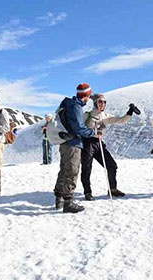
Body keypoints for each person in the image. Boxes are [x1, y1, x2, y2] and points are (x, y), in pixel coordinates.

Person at [81, 94, 139, 200]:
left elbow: (120, 120)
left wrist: (130, 112)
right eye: (100, 102)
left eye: (104, 102)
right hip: (87, 143)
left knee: (112, 165)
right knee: (87, 168)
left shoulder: (106, 116)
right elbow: (79, 127)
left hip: (98, 143)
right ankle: (87, 192)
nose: (103, 104)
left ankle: (112, 189)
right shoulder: (87, 115)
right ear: (95, 103)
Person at [54, 83, 97, 213]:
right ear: (86, 95)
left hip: (64, 141)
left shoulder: (67, 104)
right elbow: (79, 128)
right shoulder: (76, 107)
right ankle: (68, 201)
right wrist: (93, 132)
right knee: (71, 171)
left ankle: (59, 197)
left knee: (64, 169)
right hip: (73, 142)